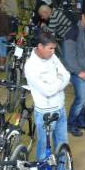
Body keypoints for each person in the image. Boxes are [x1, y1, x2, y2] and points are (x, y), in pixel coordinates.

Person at [24, 32, 70, 161]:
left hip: (60, 108)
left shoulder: (52, 57)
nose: (53, 51)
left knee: (62, 144)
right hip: (46, 113)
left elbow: (66, 74)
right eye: (50, 48)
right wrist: (60, 81)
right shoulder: (31, 66)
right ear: (40, 46)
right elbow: (48, 91)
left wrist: (55, 83)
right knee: (44, 149)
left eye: (54, 48)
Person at [64, 10, 85, 137]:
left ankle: (81, 121)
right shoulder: (73, 31)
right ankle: (71, 124)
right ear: (82, 17)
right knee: (80, 99)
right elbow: (68, 56)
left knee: (83, 99)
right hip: (79, 72)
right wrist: (78, 71)